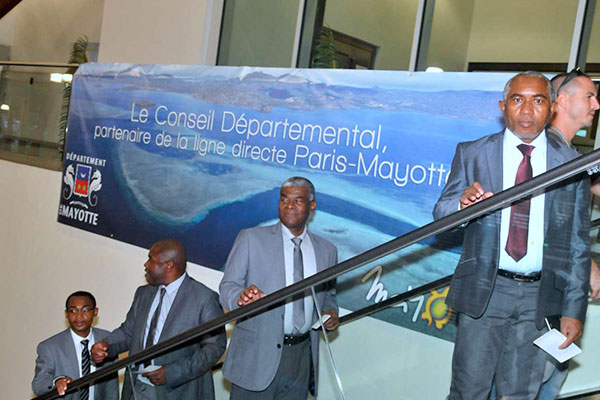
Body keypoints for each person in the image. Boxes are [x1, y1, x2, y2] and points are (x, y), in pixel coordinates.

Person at [433, 71, 591, 400]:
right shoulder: (473, 153)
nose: (527, 109)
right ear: (504, 106)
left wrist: (574, 310)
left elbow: (577, 244)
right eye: (518, 100)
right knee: (468, 391)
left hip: (541, 298)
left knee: (522, 393)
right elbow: (441, 215)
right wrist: (462, 204)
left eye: (538, 100)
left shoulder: (572, 165)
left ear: (551, 110)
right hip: (485, 293)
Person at [219, 176, 339, 399]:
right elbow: (227, 287)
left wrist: (331, 313)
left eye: (298, 200)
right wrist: (240, 298)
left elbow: (329, 295)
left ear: (312, 206)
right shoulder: (251, 239)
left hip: (302, 359)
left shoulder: (327, 251)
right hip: (256, 357)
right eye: (284, 199)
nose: (289, 205)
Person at [532, 68, 600, 400]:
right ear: (562, 100)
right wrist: (588, 265)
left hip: (558, 289)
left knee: (548, 378)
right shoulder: (547, 154)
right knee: (526, 380)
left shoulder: (573, 158)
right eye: (589, 96)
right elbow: (551, 228)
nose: (596, 104)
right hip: (541, 291)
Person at [91, 239, 227, 400]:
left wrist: (171, 373)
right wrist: (106, 346)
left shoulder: (204, 299)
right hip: (136, 387)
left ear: (168, 265)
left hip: (178, 390)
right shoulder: (143, 293)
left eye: (151, 259)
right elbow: (128, 332)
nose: (145, 265)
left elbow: (214, 348)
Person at [32, 291, 118, 399]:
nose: (79, 316)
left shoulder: (107, 340)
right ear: (66, 314)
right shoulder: (49, 347)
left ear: (95, 312)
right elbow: (38, 384)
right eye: (73, 311)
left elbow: (111, 387)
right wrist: (56, 382)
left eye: (85, 310)